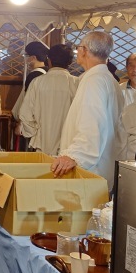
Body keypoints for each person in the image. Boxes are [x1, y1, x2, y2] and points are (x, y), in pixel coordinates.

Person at [51, 32, 125, 189]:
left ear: (84, 50)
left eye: (78, 48)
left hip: (91, 169)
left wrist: (75, 156)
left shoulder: (94, 81)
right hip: (104, 163)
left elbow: (92, 123)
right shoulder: (108, 79)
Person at [18, 44, 78, 155]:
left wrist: (35, 133)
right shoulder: (76, 83)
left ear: (48, 60)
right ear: (70, 62)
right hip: (69, 145)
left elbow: (25, 114)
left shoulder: (37, 82)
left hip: (42, 144)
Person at [12, 41, 49, 150]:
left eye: (26, 56)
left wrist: (20, 123)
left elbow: (28, 102)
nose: (26, 60)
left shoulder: (34, 75)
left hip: (30, 124)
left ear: (33, 57)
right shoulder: (48, 72)